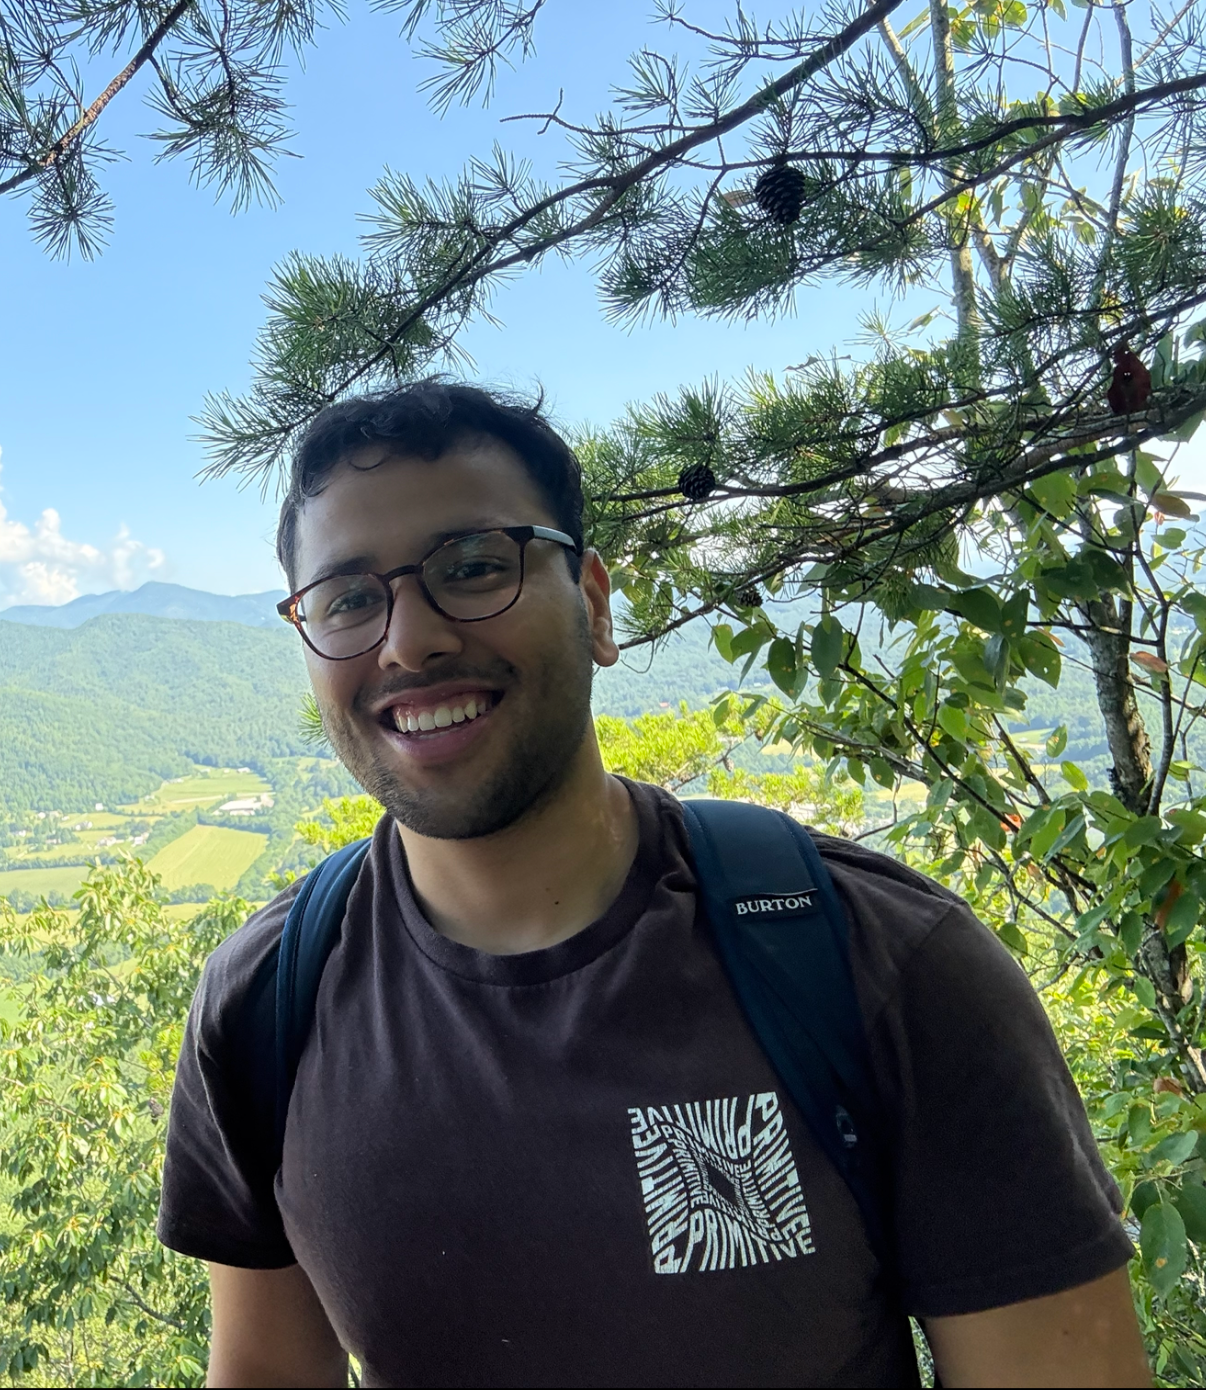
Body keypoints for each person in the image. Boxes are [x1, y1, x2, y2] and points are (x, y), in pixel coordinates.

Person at [157, 381, 1148, 1388]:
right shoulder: (265, 1008)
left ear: (593, 604)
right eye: (350, 599)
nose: (409, 641)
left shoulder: (877, 963)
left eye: (472, 567)